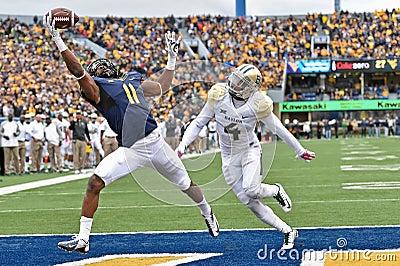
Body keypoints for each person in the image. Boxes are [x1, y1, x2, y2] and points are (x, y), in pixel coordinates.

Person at [43, 18, 219, 254]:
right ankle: (83, 239)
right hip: (130, 150)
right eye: (97, 68)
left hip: (155, 142)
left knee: (186, 184)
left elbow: (161, 88)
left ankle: (207, 212)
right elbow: (77, 71)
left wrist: (172, 57)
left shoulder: (131, 79)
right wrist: (56, 37)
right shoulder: (97, 89)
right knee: (95, 182)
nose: (102, 68)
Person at [176, 64, 315, 250]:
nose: (234, 84)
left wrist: (299, 150)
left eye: (241, 83)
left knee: (251, 189)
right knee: (248, 201)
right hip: (228, 156)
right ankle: (288, 231)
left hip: (249, 150)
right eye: (235, 79)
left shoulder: (258, 103)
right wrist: (182, 145)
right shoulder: (219, 95)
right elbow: (199, 122)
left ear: (251, 89)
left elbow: (278, 129)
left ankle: (275, 190)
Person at [69, 110, 91, 174]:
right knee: (76, 155)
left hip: (83, 139)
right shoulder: (74, 122)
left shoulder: (84, 122)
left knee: (83, 155)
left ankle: (82, 167)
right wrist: (74, 121)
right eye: (77, 114)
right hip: (76, 139)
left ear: (81, 115)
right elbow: (70, 128)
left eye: (79, 114)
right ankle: (76, 168)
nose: (78, 115)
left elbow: (86, 131)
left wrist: (89, 139)